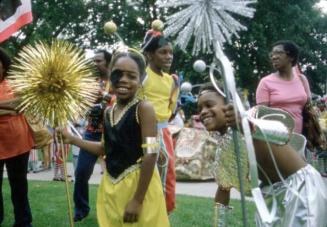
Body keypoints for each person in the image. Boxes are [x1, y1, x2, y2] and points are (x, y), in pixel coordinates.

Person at [58, 48, 169, 226]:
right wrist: (73, 139)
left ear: (141, 80)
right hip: (111, 186)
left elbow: (151, 153)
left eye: (131, 76)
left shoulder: (144, 109)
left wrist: (138, 199)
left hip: (138, 187)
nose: (123, 80)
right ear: (111, 76)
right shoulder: (109, 112)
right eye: (118, 74)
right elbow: (104, 149)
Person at [197, 83, 327, 226]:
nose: (203, 112)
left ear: (230, 105)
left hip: (301, 189)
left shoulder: (253, 117)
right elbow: (223, 190)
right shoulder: (223, 151)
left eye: (209, 105)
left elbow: (283, 133)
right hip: (270, 198)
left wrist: (245, 123)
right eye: (200, 108)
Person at [140, 26, 179, 213]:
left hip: (164, 132)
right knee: (148, 168)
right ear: (149, 55)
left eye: (171, 52)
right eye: (163, 52)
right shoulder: (142, 77)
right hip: (147, 133)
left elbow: (171, 109)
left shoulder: (171, 80)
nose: (169, 56)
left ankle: (163, 214)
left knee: (167, 172)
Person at [73, 49, 112, 221]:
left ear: (108, 62)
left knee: (114, 174)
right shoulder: (91, 81)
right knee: (81, 172)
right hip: (92, 132)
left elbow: (123, 99)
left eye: (98, 61)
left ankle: (113, 210)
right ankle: (81, 208)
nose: (95, 64)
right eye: (93, 61)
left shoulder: (118, 80)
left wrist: (104, 95)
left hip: (113, 133)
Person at [0, 48, 34, 227]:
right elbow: (13, 106)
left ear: (4, 66)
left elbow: (20, 105)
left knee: (19, 186)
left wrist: (7, 107)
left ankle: (23, 222)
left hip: (17, 143)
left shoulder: (14, 84)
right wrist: (8, 108)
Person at [256, 40, 310, 134]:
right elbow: (261, 115)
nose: (274, 57)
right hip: (276, 139)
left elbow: (308, 105)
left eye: (279, 53)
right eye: (272, 54)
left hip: (300, 137)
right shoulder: (265, 82)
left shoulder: (302, 79)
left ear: (291, 57)